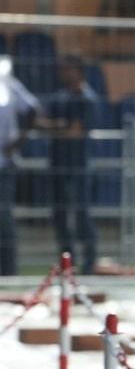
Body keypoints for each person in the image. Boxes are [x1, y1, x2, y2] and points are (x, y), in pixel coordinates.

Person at [47, 54, 98, 275]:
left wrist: (55, 128)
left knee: (81, 214)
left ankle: (89, 261)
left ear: (78, 71)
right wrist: (59, 128)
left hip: (78, 164)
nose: (63, 73)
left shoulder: (86, 98)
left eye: (67, 69)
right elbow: (44, 123)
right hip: (59, 163)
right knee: (59, 214)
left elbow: (75, 132)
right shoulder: (60, 97)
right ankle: (67, 262)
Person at [0, 55, 41, 276]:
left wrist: (18, 142)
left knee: (4, 219)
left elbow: (33, 110)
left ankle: (8, 273)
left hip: (4, 165)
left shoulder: (8, 84)